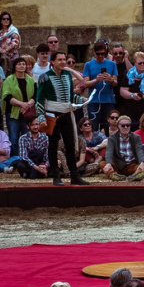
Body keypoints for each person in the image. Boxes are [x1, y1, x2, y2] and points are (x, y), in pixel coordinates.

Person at [34, 51, 90, 187]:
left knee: (70, 145)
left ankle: (74, 175)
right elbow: (39, 99)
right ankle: (56, 176)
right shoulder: (44, 77)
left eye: (64, 59)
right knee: (53, 146)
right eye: (60, 60)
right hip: (52, 115)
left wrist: (80, 99)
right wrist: (41, 117)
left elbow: (70, 96)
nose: (63, 62)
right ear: (52, 61)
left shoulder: (67, 75)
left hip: (66, 115)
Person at [83, 41, 119, 132]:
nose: (100, 56)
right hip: (94, 100)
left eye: (103, 54)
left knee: (107, 126)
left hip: (108, 100)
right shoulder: (88, 64)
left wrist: (110, 79)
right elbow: (86, 83)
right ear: (94, 52)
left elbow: (115, 83)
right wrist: (96, 79)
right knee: (93, 125)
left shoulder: (112, 64)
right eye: (98, 54)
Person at [103, 115, 144, 181]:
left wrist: (142, 162)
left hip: (131, 164)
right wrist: (108, 163)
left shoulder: (136, 137)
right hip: (118, 165)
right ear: (118, 126)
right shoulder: (112, 138)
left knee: (140, 167)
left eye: (128, 125)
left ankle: (136, 175)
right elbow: (109, 151)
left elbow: (139, 151)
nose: (125, 127)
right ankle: (114, 175)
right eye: (123, 125)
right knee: (103, 164)